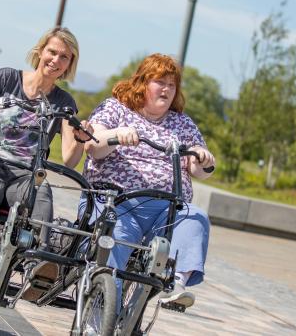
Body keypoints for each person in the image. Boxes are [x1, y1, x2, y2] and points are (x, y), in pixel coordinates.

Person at [0, 27, 92, 324]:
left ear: (69, 64)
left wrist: (80, 139)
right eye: (52, 52)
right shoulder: (7, 79)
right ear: (40, 52)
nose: (56, 60)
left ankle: (38, 267)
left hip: (24, 177)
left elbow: (70, 160)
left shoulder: (64, 103)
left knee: (42, 193)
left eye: (64, 56)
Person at [79, 53, 215, 309]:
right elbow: (93, 146)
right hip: (118, 201)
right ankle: (104, 307)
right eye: (160, 81)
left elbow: (199, 169)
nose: (166, 89)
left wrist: (203, 159)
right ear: (142, 83)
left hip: (165, 208)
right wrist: (116, 135)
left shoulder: (182, 124)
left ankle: (176, 284)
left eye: (172, 85)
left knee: (196, 217)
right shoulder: (116, 109)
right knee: (115, 234)